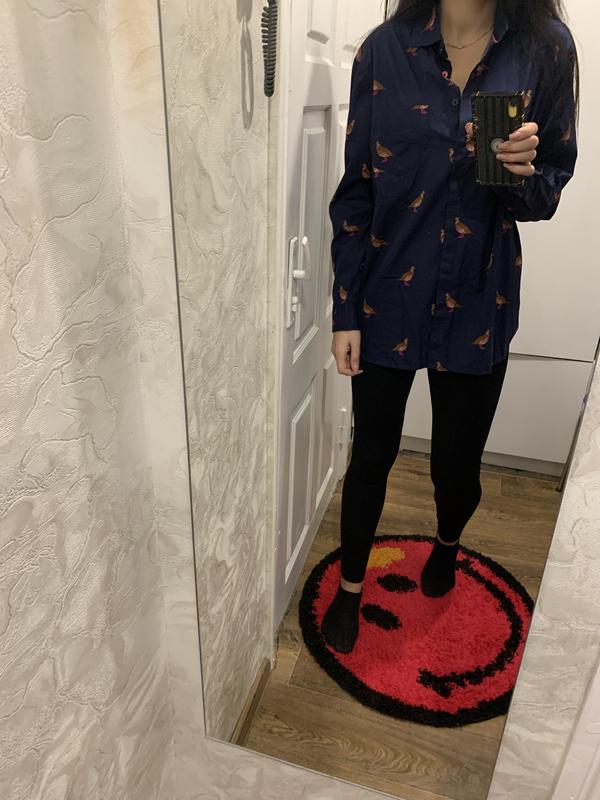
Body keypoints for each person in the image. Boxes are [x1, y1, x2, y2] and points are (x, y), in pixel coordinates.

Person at [321, 0, 579, 654]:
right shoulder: (384, 50)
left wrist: (519, 174)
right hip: (387, 294)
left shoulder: (544, 48)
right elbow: (356, 190)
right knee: (371, 453)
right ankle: (351, 587)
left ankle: (446, 542)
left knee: (456, 466)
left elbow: (545, 192)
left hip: (479, 295)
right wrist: (345, 309)